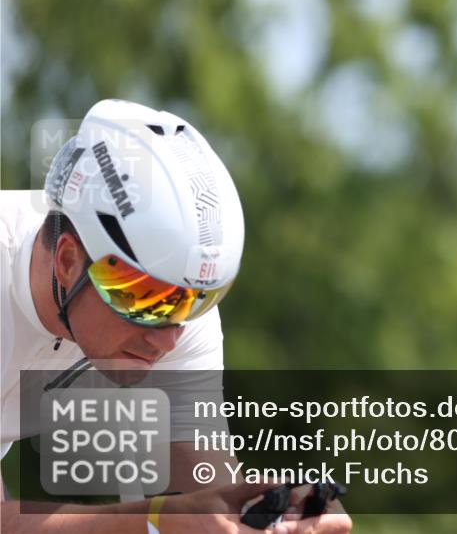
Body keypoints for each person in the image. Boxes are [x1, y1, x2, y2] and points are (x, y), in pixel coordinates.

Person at [0, 99, 351, 533]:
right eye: (146, 299)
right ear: (69, 260)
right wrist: (152, 521)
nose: (168, 340)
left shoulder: (179, 314)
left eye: (195, 302)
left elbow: (197, 500)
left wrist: (268, 521)